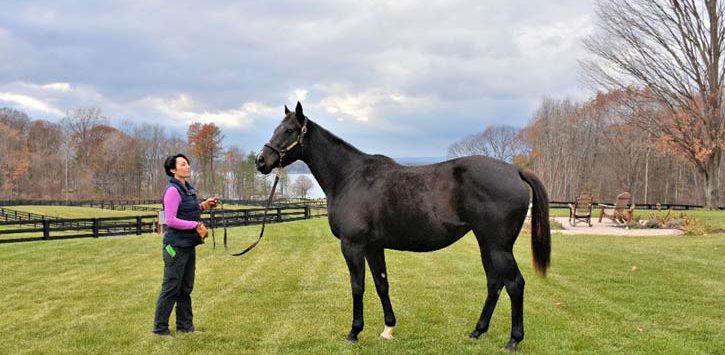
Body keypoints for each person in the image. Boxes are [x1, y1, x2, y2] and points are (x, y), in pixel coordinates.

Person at [153, 153, 218, 336]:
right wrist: (195, 225)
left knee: (186, 288)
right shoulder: (172, 190)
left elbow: (189, 210)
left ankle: (185, 327)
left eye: (188, 163)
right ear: (173, 170)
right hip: (175, 247)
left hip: (188, 245)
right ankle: (160, 329)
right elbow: (171, 220)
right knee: (171, 287)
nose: (187, 166)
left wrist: (204, 206)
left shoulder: (188, 188)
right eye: (183, 164)